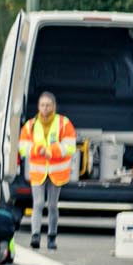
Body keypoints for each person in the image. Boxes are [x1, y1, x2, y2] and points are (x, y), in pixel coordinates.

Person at [20, 90, 76, 250]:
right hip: (38, 173)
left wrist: (52, 151)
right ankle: (35, 236)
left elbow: (70, 145)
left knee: (52, 205)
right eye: (42, 105)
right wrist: (38, 150)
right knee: (37, 203)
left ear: (54, 106)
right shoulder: (30, 125)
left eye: (48, 105)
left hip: (56, 172)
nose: (45, 108)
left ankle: (52, 236)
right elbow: (23, 147)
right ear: (38, 106)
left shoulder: (63, 123)